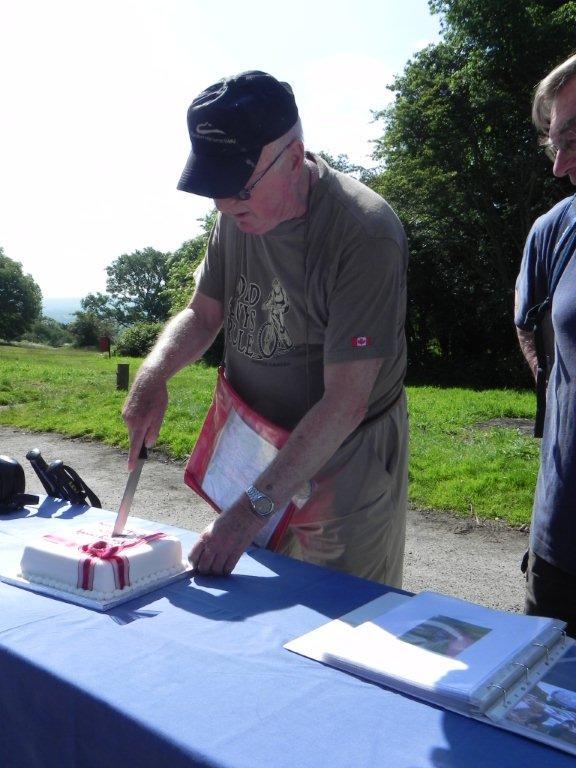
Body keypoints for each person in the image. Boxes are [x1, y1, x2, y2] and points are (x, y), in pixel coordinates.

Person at [123, 70, 409, 585]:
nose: (223, 206)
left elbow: (346, 402)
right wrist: (153, 374)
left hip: (342, 460)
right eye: (214, 188)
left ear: (294, 158)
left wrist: (249, 511)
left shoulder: (364, 233)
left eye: (238, 188)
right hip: (256, 447)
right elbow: (202, 314)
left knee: (338, 620)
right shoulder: (236, 215)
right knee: (249, 610)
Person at [515, 54, 576, 636]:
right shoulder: (555, 229)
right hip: (561, 545)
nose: (560, 166)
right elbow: (525, 320)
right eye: (554, 142)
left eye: (574, 138)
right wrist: (550, 385)